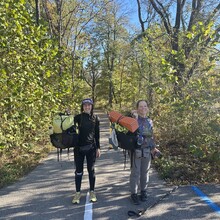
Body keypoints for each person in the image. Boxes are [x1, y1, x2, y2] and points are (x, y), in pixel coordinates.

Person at [129, 100, 160, 205]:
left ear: (147, 108)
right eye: (141, 106)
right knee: (135, 173)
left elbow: (150, 136)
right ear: (137, 108)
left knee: (145, 173)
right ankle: (134, 194)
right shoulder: (133, 119)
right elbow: (123, 121)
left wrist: (154, 148)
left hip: (147, 150)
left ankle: (143, 192)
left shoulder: (150, 121)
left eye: (145, 106)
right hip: (136, 150)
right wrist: (132, 114)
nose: (143, 108)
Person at [72, 98, 101, 204]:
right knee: (78, 171)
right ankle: (78, 193)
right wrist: (67, 115)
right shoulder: (78, 118)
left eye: (89, 105)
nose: (87, 107)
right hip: (78, 149)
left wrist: (98, 148)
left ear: (92, 106)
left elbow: (97, 135)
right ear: (82, 107)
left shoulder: (95, 118)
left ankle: (92, 191)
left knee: (91, 170)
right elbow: (69, 127)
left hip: (91, 148)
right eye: (85, 105)